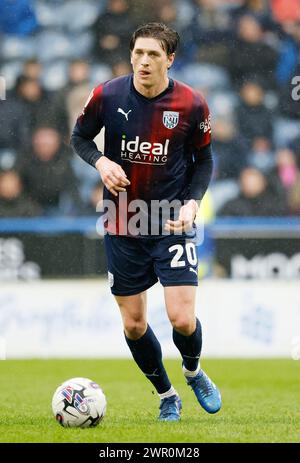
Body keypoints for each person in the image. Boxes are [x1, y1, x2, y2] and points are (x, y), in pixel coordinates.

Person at [71, 22, 221, 422]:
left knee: (182, 319)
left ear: (170, 59)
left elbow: (204, 160)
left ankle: (192, 371)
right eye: (138, 53)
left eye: (153, 54)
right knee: (135, 325)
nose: (143, 61)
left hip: (171, 219)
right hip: (122, 220)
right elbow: (79, 137)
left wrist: (192, 204)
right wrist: (101, 162)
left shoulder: (191, 104)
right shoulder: (107, 94)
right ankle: (166, 395)